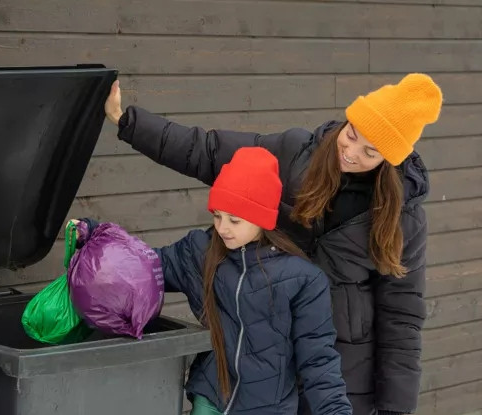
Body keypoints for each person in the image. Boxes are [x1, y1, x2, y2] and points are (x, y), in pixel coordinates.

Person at [103, 73, 441, 415]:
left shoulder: (402, 218)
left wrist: (395, 409)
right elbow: (208, 152)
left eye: (370, 152)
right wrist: (127, 122)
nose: (351, 153)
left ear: (390, 158)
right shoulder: (296, 154)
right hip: (263, 354)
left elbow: (402, 315)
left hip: (338, 373)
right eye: (351, 135)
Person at [73, 147, 351, 415]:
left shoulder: (302, 279)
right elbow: (143, 265)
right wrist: (95, 234)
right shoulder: (199, 251)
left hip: (268, 407)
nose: (222, 228)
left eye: (235, 220)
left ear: (262, 219)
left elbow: (318, 359)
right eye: (217, 216)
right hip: (211, 399)